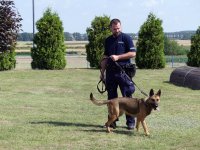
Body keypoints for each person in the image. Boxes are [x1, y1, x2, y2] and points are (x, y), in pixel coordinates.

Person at [103, 18, 136, 130]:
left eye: (118, 28)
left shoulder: (126, 38)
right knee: (111, 98)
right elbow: (105, 57)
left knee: (127, 98)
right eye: (114, 28)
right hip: (111, 72)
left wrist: (118, 57)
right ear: (110, 28)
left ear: (120, 27)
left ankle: (130, 122)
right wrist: (102, 72)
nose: (116, 30)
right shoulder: (107, 40)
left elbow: (132, 53)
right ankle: (112, 122)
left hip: (124, 72)